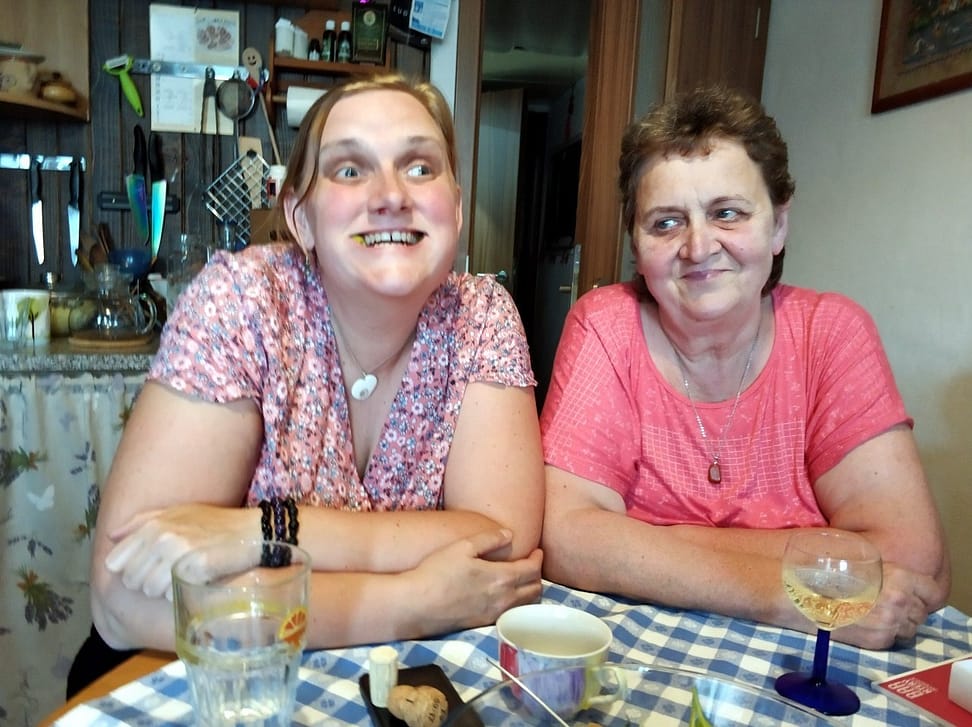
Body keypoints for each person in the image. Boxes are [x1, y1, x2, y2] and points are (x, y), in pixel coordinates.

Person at [71, 73, 544, 694]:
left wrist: (260, 534)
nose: (391, 195)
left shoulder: (482, 315)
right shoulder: (244, 300)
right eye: (350, 170)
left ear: (454, 207)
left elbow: (504, 547)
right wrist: (409, 600)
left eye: (420, 167)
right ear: (301, 217)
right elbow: (123, 600)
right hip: (206, 686)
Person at [539, 85, 950, 650]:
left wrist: (639, 542)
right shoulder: (605, 325)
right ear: (635, 244)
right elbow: (565, 537)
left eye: (727, 213)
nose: (698, 247)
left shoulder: (831, 333)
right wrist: (783, 588)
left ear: (778, 226)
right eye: (665, 223)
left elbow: (911, 560)